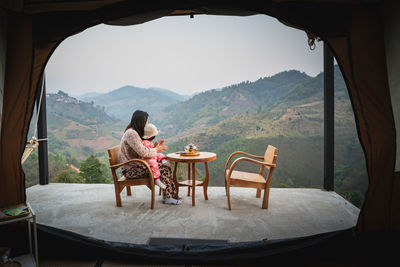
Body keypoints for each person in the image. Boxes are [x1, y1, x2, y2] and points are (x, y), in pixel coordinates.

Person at [119, 110, 181, 205]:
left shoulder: (134, 132)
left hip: (138, 165)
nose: (147, 124)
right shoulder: (131, 134)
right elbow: (143, 152)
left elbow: (142, 149)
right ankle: (168, 197)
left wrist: (154, 148)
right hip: (131, 170)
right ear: (141, 121)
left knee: (165, 167)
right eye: (146, 121)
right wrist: (157, 150)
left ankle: (171, 193)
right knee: (163, 168)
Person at [141, 123, 171, 190]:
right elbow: (147, 153)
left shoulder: (148, 141)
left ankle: (163, 160)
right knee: (153, 163)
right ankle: (156, 179)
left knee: (159, 155)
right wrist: (156, 148)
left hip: (150, 155)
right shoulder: (144, 142)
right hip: (146, 159)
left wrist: (155, 147)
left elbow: (151, 150)